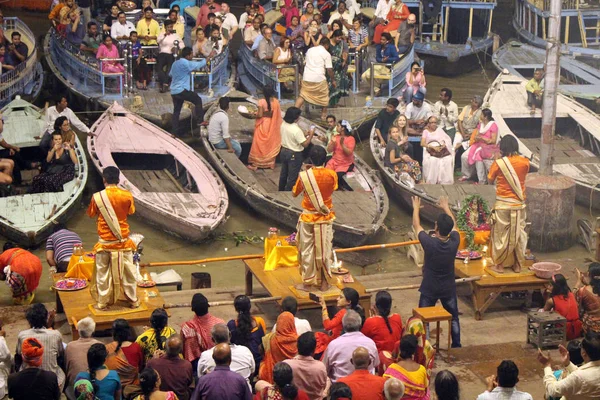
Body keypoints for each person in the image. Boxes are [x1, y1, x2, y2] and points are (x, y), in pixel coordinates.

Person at [412, 195, 462, 348]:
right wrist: (446, 207)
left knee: (423, 318)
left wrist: (415, 209)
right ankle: (456, 344)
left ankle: (425, 345)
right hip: (448, 286)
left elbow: (417, 226)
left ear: (436, 228)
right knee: (453, 318)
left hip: (430, 286)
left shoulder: (430, 243)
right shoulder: (454, 242)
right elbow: (454, 227)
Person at [87, 166, 138, 310]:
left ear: (104, 179)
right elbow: (131, 211)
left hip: (105, 243)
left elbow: (91, 214)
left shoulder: (97, 197)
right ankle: (133, 301)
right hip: (123, 243)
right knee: (129, 273)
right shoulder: (127, 195)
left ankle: (102, 302)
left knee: (102, 274)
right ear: (119, 179)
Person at [291, 145, 337, 290]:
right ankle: (324, 282)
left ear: (310, 159)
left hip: (308, 217)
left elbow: (294, 192)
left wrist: (307, 174)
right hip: (325, 216)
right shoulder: (332, 174)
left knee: (307, 249)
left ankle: (308, 282)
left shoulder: (305, 176)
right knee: (324, 249)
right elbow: (333, 189)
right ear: (325, 159)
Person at [487, 135, 530, 273]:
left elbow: (489, 179)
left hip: (503, 205)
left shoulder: (499, 163)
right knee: (518, 234)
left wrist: (496, 160)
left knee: (501, 234)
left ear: (502, 148)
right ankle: (517, 265)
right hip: (518, 205)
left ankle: (499, 265)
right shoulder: (525, 162)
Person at [538, 332, 600, 399]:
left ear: (583, 353)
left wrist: (547, 365)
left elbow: (553, 390)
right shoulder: (583, 375)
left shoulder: (578, 377)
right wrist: (568, 363)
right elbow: (587, 375)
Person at [324, 310, 379, 381]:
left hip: (341, 387)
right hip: (365, 384)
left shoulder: (333, 345)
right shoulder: (370, 343)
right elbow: (376, 364)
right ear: (360, 325)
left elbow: (324, 369)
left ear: (343, 325)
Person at [198, 324, 255, 390]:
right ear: (230, 335)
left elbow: (201, 377)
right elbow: (251, 373)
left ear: (213, 340)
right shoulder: (245, 351)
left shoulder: (205, 356)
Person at [169, 47, 206, 136]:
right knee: (197, 99)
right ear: (188, 55)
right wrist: (207, 58)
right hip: (181, 90)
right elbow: (198, 65)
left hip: (174, 91)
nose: (192, 56)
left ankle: (174, 132)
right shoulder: (185, 63)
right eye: (191, 54)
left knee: (176, 111)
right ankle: (200, 121)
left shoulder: (175, 63)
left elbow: (170, 74)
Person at [181, 293, 224, 368]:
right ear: (207, 306)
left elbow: (181, 348)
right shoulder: (220, 324)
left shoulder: (187, 327)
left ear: (193, 310)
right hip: (220, 359)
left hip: (196, 364)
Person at [317, 287, 365, 356]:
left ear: (348, 302)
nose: (337, 299)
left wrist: (323, 306)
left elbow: (327, 326)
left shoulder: (343, 312)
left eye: (341, 297)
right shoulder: (357, 311)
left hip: (336, 342)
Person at [295, 37, 334, 121]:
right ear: (326, 45)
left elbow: (304, 63)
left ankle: (294, 113)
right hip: (319, 78)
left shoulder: (310, 50)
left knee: (302, 95)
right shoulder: (326, 53)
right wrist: (333, 80)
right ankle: (323, 115)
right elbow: (329, 69)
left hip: (307, 77)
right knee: (325, 96)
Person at [284, 332, 329, 400]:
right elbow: (324, 385)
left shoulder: (286, 365)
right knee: (328, 380)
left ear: (297, 347)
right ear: (314, 350)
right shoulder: (320, 367)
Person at [228, 295, 267, 371]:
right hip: (258, 364)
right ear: (250, 307)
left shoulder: (231, 325)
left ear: (236, 309)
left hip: (241, 364)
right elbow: (262, 343)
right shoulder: (259, 322)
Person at [383, 335, 430, 399]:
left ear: (400, 349)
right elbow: (425, 392)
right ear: (414, 351)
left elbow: (385, 392)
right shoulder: (422, 370)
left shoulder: (391, 370)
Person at [460, 108, 499, 184]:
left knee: (478, 158)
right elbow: (477, 135)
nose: (480, 116)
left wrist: (483, 139)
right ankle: (467, 175)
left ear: (485, 117)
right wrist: (477, 138)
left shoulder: (493, 125)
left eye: (481, 114)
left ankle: (482, 180)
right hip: (478, 144)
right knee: (464, 156)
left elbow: (493, 141)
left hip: (488, 146)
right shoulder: (480, 124)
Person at [147, 335, 193, 400]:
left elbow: (147, 378)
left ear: (165, 347)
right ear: (181, 350)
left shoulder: (152, 363)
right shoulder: (187, 365)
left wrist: (153, 360)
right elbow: (188, 383)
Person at [279, 107, 314, 191]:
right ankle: (287, 193)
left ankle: (281, 190)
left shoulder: (283, 124)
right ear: (296, 118)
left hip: (284, 151)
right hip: (294, 154)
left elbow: (294, 137)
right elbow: (305, 144)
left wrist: (304, 134)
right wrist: (311, 135)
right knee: (292, 177)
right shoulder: (296, 129)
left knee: (284, 174)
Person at [258, 312, 298, 383]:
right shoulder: (298, 340)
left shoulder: (269, 338)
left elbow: (261, 351)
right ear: (292, 324)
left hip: (272, 374)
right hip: (293, 375)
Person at [105, 319, 144, 389]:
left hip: (113, 387)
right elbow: (141, 367)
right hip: (132, 388)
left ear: (113, 333)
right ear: (128, 332)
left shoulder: (107, 348)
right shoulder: (136, 347)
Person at [65, 317, 101, 388]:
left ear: (78, 330)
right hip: (95, 385)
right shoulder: (100, 345)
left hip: (74, 386)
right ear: (93, 331)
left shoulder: (70, 346)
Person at [421, 116, 454, 184]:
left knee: (448, 159)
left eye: (435, 122)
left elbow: (446, 140)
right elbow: (422, 143)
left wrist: (443, 145)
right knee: (433, 160)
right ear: (428, 124)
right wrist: (432, 147)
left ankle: (445, 181)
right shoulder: (426, 131)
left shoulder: (440, 130)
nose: (433, 124)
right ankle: (432, 180)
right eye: (431, 122)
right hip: (431, 149)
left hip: (441, 148)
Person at [326, 120, 355, 191]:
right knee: (326, 174)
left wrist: (342, 144)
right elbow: (329, 150)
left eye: (338, 126)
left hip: (345, 163)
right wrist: (332, 142)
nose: (336, 127)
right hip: (334, 161)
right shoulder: (335, 137)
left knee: (337, 175)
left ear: (343, 128)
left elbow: (349, 153)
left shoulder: (350, 139)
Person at [455, 95, 484, 165]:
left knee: (465, 148)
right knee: (455, 145)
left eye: (474, 101)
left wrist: (471, 135)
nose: (471, 102)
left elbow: (479, 127)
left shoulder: (481, 113)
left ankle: (460, 165)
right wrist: (463, 134)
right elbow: (459, 121)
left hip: (471, 134)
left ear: (477, 104)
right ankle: (453, 164)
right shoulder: (466, 108)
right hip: (461, 131)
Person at [156, 20, 183, 93]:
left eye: (171, 27)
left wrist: (176, 48)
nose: (170, 28)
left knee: (170, 68)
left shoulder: (175, 35)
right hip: (162, 53)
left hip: (171, 54)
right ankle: (165, 83)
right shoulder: (162, 34)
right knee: (159, 68)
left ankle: (164, 85)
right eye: (168, 27)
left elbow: (182, 44)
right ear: (165, 27)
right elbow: (158, 41)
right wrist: (165, 35)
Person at [576, 263, 600, 334]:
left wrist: (578, 281)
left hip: (591, 326)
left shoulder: (582, 291)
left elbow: (578, 311)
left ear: (589, 274)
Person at [327, 30, 349, 107]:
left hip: (339, 66)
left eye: (340, 38)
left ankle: (335, 103)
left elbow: (345, 52)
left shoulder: (342, 43)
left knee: (341, 83)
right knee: (332, 85)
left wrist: (344, 60)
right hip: (329, 67)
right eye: (338, 38)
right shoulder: (328, 43)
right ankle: (329, 103)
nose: (339, 40)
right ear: (334, 36)